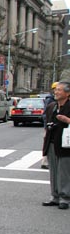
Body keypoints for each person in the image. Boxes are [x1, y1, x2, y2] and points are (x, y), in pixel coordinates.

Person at [42, 81, 70, 210]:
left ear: (67, 93)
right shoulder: (51, 106)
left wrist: (67, 120)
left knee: (64, 171)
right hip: (52, 142)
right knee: (53, 171)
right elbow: (47, 122)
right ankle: (55, 196)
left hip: (66, 144)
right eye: (56, 90)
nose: (56, 92)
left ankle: (65, 198)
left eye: (59, 90)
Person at [41, 82, 58, 169]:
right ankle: (44, 161)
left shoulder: (54, 99)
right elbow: (45, 114)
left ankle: (46, 161)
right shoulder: (50, 99)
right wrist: (46, 125)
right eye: (56, 89)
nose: (57, 91)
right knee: (47, 142)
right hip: (49, 126)